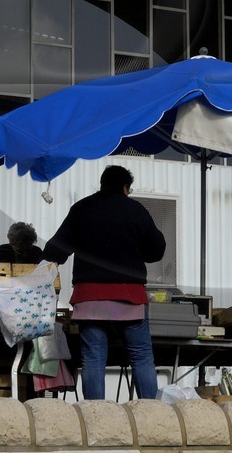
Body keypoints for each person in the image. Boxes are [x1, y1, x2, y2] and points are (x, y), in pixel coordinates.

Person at [42, 165, 167, 400]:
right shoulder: (136, 209)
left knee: (93, 357)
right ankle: (151, 413)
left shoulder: (82, 208)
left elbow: (54, 251)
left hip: (90, 297)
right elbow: (157, 250)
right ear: (125, 188)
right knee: (140, 356)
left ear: (102, 184)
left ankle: (94, 416)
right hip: (130, 297)